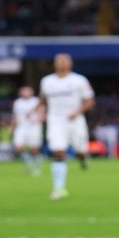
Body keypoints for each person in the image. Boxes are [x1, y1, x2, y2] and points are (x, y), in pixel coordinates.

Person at [39, 53, 95, 200]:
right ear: (54, 64)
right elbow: (43, 100)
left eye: (65, 60)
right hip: (55, 120)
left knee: (80, 151)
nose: (62, 63)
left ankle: (83, 158)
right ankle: (59, 188)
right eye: (59, 60)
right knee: (58, 152)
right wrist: (40, 112)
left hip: (75, 121)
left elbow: (89, 101)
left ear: (70, 64)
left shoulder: (79, 80)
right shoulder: (47, 81)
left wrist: (77, 112)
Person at [11, 86, 45, 175]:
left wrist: (39, 119)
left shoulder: (36, 101)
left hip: (34, 127)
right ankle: (28, 162)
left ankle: (37, 167)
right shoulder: (18, 102)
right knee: (18, 147)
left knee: (34, 149)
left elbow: (42, 113)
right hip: (21, 127)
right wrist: (12, 126)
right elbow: (15, 115)